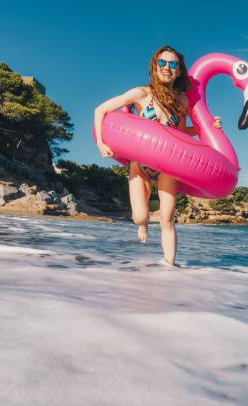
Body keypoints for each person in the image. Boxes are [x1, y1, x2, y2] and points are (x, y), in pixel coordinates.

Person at [94, 45, 222, 266]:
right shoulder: (141, 94)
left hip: (168, 167)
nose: (167, 68)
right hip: (140, 165)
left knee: (168, 218)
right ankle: (143, 224)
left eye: (173, 64)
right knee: (139, 216)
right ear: (155, 66)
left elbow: (181, 133)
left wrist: (209, 126)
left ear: (179, 71)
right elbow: (100, 110)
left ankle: (169, 266)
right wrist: (101, 143)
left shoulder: (182, 101)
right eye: (162, 63)